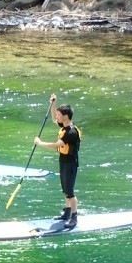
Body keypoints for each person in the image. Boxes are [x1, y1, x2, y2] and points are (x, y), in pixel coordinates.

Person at [34, 94, 81, 229]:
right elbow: (54, 116)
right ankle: (67, 212)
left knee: (70, 191)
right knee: (65, 189)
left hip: (71, 163)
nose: (57, 117)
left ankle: (74, 217)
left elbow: (57, 144)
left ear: (66, 116)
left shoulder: (71, 132)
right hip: (63, 161)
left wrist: (40, 143)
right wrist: (53, 104)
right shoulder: (64, 126)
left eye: (60, 115)